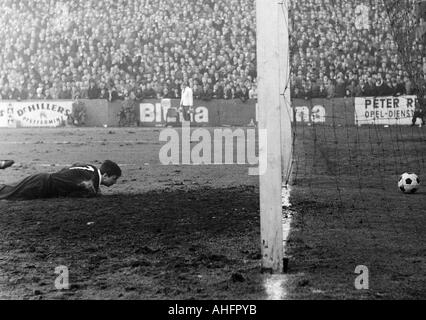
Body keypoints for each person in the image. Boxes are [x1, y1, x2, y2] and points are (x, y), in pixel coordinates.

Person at [0, 160, 121, 200]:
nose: (114, 183)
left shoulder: (90, 168)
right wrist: (97, 193)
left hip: (43, 179)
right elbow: (90, 190)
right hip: (42, 185)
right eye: (114, 179)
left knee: (9, 190)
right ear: (105, 175)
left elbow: (72, 166)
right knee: (8, 194)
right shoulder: (92, 179)